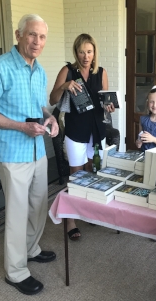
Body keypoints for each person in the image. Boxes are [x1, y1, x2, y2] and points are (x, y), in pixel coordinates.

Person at [0, 14, 59, 296]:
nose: (37, 41)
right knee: (17, 212)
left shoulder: (40, 70)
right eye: (32, 35)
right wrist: (20, 126)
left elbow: (41, 106)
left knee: (37, 205)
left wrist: (51, 118)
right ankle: (16, 271)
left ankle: (31, 249)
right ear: (19, 34)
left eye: (42, 37)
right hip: (12, 152)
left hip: (37, 150)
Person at [49, 33, 115, 241]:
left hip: (97, 129)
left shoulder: (101, 72)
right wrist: (64, 86)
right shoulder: (67, 71)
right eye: (81, 52)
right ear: (75, 52)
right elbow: (53, 98)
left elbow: (104, 102)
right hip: (76, 129)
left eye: (89, 51)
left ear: (94, 52)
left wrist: (109, 108)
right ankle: (71, 219)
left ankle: (88, 209)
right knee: (76, 173)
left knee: (94, 170)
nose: (86, 56)